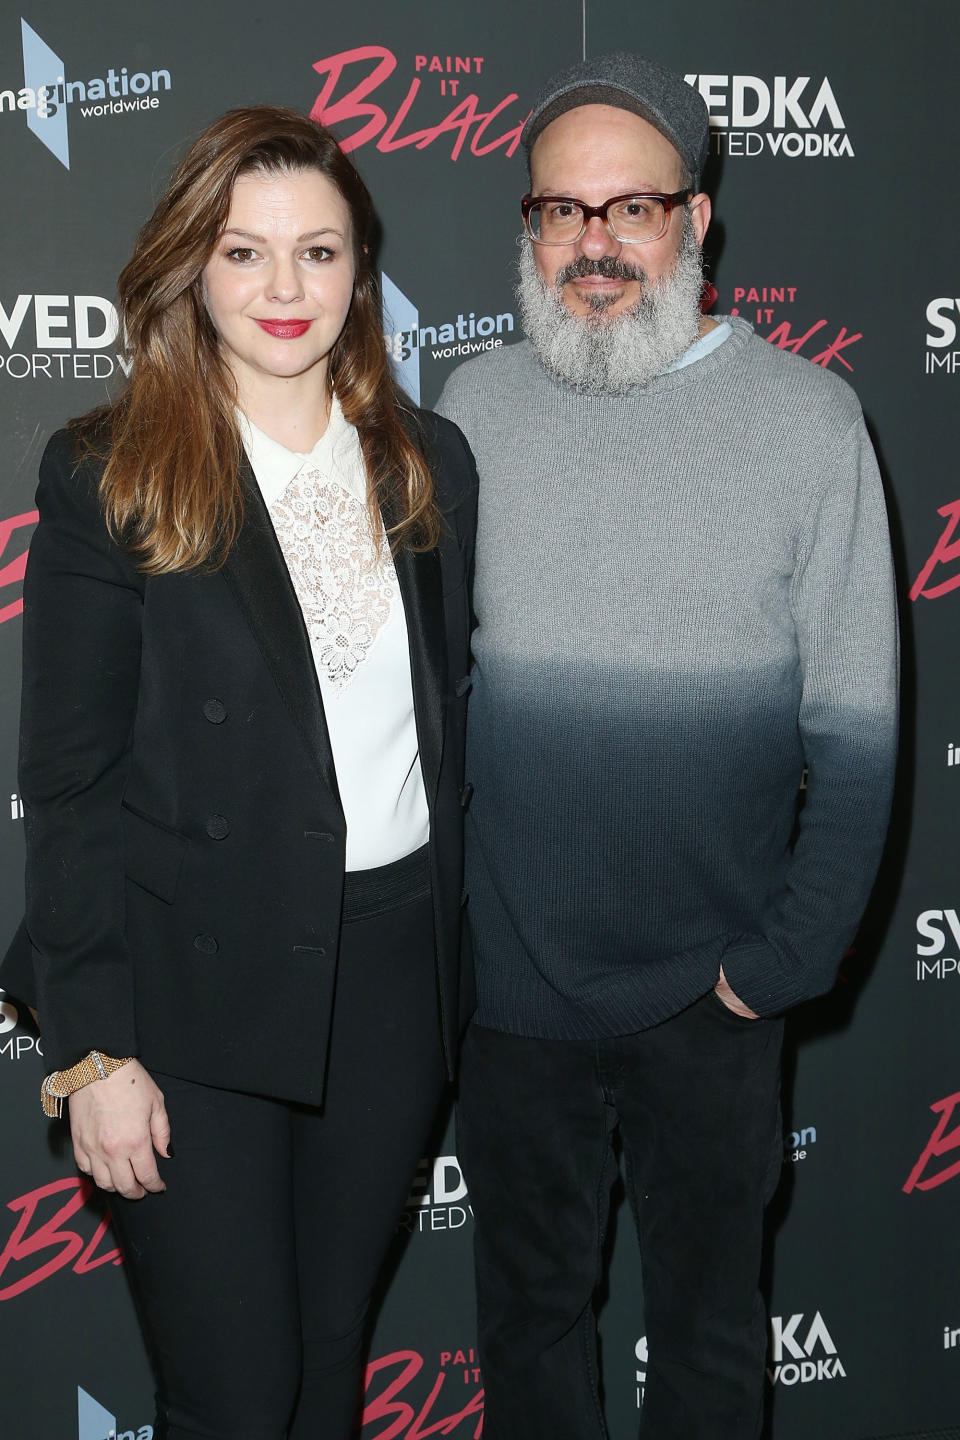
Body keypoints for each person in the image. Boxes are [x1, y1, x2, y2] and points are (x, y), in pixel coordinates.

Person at [437, 52, 897, 1440]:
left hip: (714, 996)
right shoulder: (472, 408)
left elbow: (863, 734)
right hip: (510, 993)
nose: (594, 245)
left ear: (696, 222)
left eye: (630, 209)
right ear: (528, 230)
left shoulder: (812, 422)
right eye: (560, 213)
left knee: (707, 1343)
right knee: (529, 1337)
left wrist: (777, 968)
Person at [2, 106, 476, 1440]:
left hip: (388, 982)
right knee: (233, 1395)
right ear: (190, 269)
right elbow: (72, 779)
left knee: (330, 1374)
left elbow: (448, 731)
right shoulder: (112, 471)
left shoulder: (431, 468)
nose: (284, 290)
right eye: (245, 252)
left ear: (360, 273)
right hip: (189, 998)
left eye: (318, 254)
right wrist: (94, 1049)